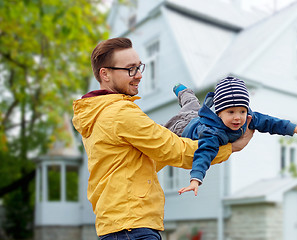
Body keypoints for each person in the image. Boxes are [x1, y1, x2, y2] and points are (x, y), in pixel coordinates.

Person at [72, 38, 254, 240]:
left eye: (139, 67)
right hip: (132, 227)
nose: (139, 75)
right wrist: (230, 148)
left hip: (120, 225)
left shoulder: (98, 113)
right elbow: (175, 150)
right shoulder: (119, 113)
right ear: (104, 74)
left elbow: (145, 161)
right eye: (130, 69)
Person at [164, 76, 297, 196]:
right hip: (183, 127)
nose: (238, 118)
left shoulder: (248, 118)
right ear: (219, 112)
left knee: (192, 104)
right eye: (231, 112)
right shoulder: (213, 133)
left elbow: (269, 122)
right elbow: (203, 154)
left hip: (198, 117)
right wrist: (195, 179)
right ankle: (181, 90)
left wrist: (294, 128)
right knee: (184, 110)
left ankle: (183, 91)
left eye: (241, 111)